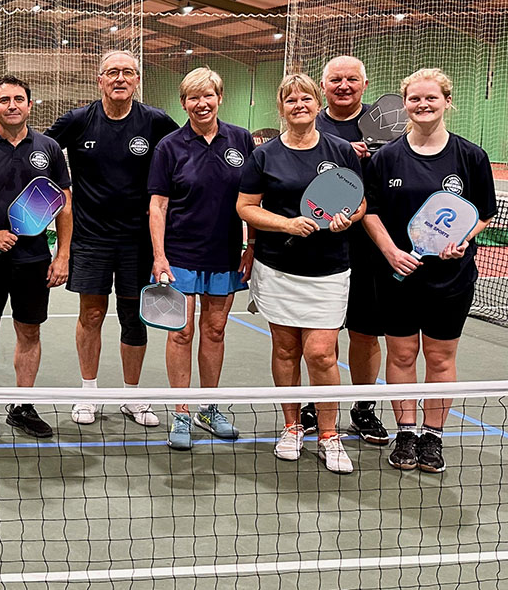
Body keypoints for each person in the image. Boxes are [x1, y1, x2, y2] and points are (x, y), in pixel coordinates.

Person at [363, 68, 495, 473]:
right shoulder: (386, 158)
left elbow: (484, 214)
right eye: (415, 99)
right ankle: (405, 432)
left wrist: (464, 240)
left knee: (440, 357)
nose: (423, 105)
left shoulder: (470, 156)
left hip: (450, 278)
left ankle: (433, 435)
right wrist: (389, 252)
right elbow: (370, 212)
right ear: (404, 104)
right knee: (401, 354)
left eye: (431, 99)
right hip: (397, 274)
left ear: (446, 102)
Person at [237, 73, 364, 474]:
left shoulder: (341, 149)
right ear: (282, 107)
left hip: (328, 269)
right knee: (286, 350)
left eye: (306, 98)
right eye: (290, 100)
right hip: (277, 268)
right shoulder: (265, 155)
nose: (299, 105)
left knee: (322, 353)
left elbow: (359, 202)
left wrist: (347, 219)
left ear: (316, 102)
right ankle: (292, 426)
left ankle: (329, 434)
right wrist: (286, 224)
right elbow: (246, 206)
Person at [45, 50, 178, 427]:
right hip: (90, 238)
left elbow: (186, 151)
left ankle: (131, 398)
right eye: (112, 73)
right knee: (91, 314)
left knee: (133, 319)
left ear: (137, 80)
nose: (120, 78)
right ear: (99, 80)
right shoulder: (77, 120)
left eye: (128, 72)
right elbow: (42, 151)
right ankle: (89, 394)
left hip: (138, 242)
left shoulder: (155, 121)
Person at [0, 74, 72, 439]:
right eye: (4, 100)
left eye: (19, 99)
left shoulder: (49, 148)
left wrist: (63, 255)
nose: (12, 105)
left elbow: (64, 206)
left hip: (34, 258)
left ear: (29, 104)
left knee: (29, 330)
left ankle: (23, 405)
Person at [147, 68, 254, 450]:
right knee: (181, 332)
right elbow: (157, 205)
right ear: (183, 103)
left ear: (219, 98)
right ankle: (180, 410)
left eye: (208, 95)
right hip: (180, 254)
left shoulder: (241, 140)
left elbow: (255, 199)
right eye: (193, 98)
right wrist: (159, 256)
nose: (201, 103)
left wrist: (251, 245)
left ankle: (208, 407)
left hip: (225, 253)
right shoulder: (169, 146)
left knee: (215, 331)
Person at [309, 55, 388, 445]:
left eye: (352, 79)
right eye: (335, 79)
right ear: (323, 85)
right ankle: (316, 404)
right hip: (320, 246)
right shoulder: (312, 121)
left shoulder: (386, 124)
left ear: (365, 84)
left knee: (365, 332)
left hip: (369, 245)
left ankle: (363, 407)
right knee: (318, 336)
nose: (343, 85)